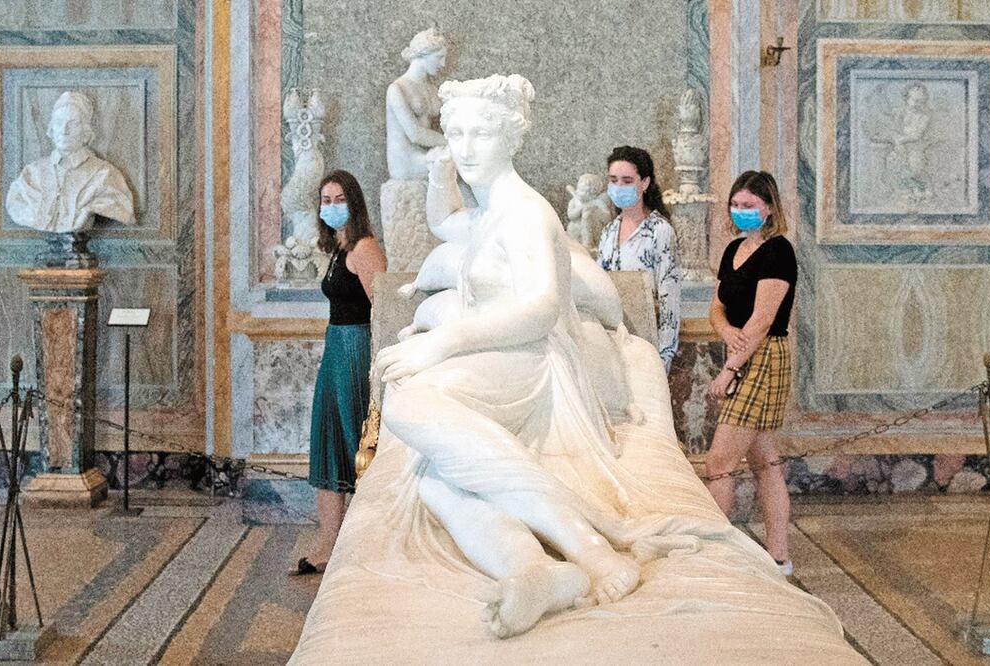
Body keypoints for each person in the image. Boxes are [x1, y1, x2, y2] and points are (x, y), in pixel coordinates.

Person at [375, 75, 715, 639]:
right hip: (498, 359)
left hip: (531, 364)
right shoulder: (488, 213)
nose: (465, 148)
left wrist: (440, 341)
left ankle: (593, 546)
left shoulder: (527, 212)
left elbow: (540, 309)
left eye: (481, 133)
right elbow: (445, 223)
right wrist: (439, 177)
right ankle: (532, 570)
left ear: (512, 137)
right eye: (455, 134)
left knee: (408, 406)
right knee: (435, 479)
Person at [291, 170, 386, 575]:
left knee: (357, 442)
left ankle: (364, 544)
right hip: (336, 346)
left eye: (339, 199)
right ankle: (327, 544)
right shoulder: (339, 247)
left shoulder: (364, 248)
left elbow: (382, 309)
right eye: (325, 200)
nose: (331, 207)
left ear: (354, 203)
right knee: (328, 439)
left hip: (356, 349)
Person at [705, 170, 797, 576]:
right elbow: (717, 306)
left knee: (718, 462)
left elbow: (761, 322)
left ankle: (713, 555)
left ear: (769, 208)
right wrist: (726, 331)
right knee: (765, 461)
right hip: (740, 350)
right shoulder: (734, 249)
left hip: (763, 357)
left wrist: (729, 370)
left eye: (749, 205)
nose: (740, 211)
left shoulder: (779, 252)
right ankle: (779, 557)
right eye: (735, 204)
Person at [596, 146, 682, 371]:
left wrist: (664, 358)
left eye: (627, 181)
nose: (618, 187)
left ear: (644, 183)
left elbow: (670, 298)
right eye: (613, 180)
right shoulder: (608, 232)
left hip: (646, 345)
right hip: (610, 345)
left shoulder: (659, 231)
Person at [6, 90, 135, 233]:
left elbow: (123, 209)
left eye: (73, 123)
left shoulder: (105, 174)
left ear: (86, 131)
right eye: (58, 122)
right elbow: (15, 203)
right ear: (51, 128)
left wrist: (90, 210)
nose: (64, 130)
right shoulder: (32, 173)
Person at [385, 26, 448, 180]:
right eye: (439, 57)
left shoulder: (433, 90)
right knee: (457, 160)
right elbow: (415, 134)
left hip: (427, 155)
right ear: (423, 54)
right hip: (405, 163)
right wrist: (452, 143)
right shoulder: (397, 88)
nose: (443, 64)